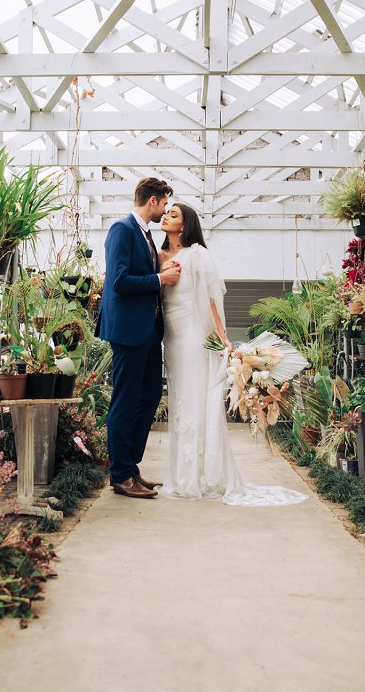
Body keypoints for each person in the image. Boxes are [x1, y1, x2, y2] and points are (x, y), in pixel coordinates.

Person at [157, 202, 308, 506]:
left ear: (185, 226)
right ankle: (183, 475)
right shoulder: (158, 256)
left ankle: (200, 476)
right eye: (166, 212)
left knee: (196, 398)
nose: (165, 216)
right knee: (181, 400)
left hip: (193, 335)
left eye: (173, 215)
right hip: (171, 336)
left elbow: (212, 302)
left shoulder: (197, 255)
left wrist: (224, 339)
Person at [96, 178, 180, 499]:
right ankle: (120, 474)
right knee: (126, 399)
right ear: (153, 201)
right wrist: (161, 278)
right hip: (129, 331)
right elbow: (118, 281)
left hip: (147, 331)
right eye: (164, 204)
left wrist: (162, 269)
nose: (165, 211)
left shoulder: (145, 234)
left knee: (149, 397)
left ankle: (130, 467)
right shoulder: (121, 229)